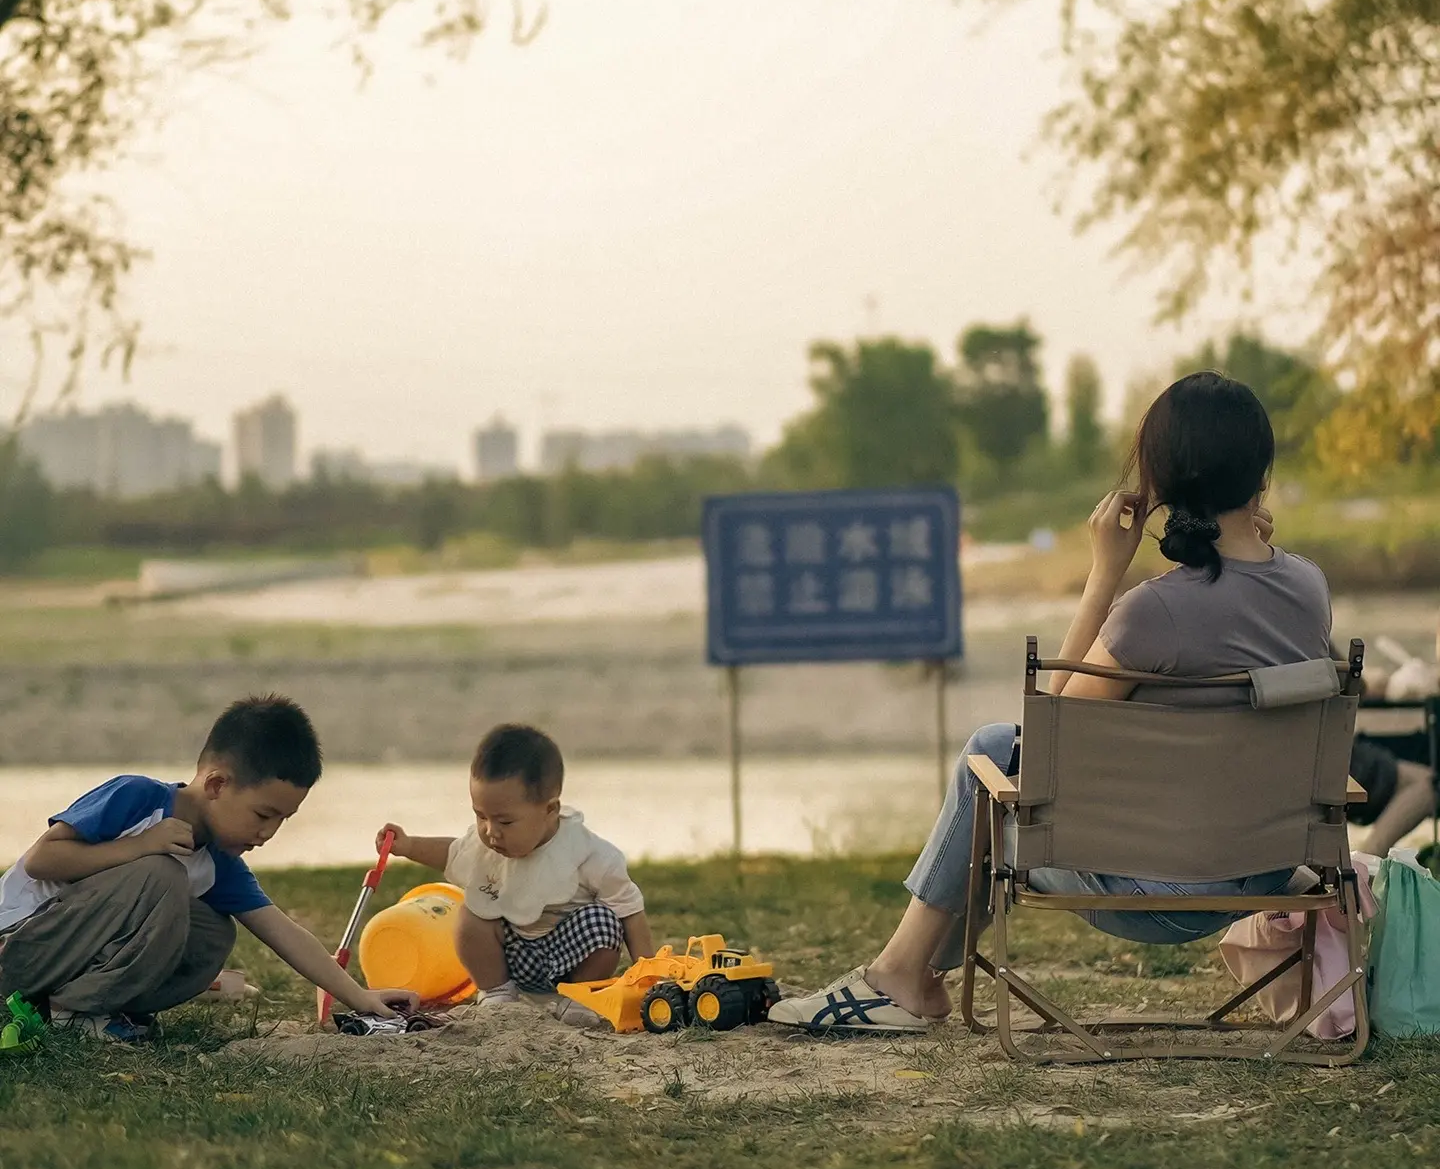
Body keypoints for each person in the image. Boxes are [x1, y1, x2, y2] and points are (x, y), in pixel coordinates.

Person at [771, 371, 1334, 1034]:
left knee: (992, 754)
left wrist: (1104, 575)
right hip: (1262, 867)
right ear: (1260, 471)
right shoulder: (1309, 588)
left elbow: (1048, 746)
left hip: (1162, 894)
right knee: (995, 756)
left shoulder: (1155, 614)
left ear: (1163, 481)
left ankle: (903, 975)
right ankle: (913, 973)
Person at [0, 695, 418, 1042]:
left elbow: (282, 931)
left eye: (282, 821)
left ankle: (86, 1008)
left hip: (58, 966)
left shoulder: (219, 859)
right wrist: (141, 846)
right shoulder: (138, 797)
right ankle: (74, 1014)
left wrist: (361, 997)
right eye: (263, 814)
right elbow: (41, 860)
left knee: (213, 932)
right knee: (162, 875)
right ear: (218, 785)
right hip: (19, 948)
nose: (268, 832)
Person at [380, 721, 655, 1014]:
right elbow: (451, 853)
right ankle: (497, 992)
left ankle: (578, 999)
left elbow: (631, 914)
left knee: (605, 924)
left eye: (505, 821)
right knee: (472, 914)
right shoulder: (486, 846)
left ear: (550, 810)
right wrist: (408, 846)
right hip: (511, 956)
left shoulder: (590, 855)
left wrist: (650, 980)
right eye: (480, 816)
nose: (490, 831)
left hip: (570, 957)